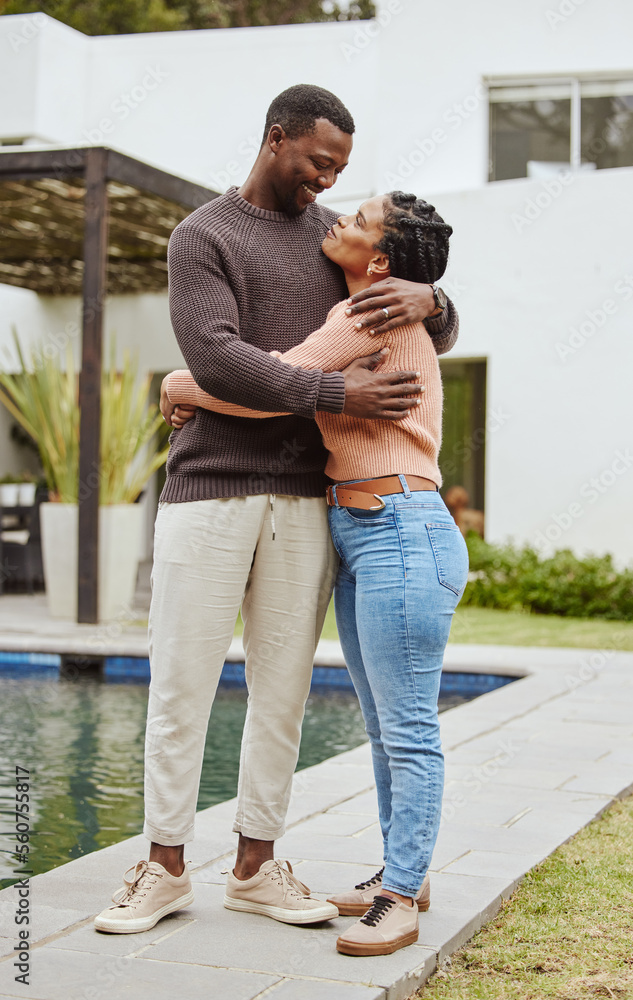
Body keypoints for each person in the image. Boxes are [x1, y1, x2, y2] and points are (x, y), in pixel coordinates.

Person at [93, 84, 459, 936]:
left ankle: (257, 865)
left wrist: (434, 299)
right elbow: (216, 354)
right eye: (316, 162)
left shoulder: (334, 244)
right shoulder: (203, 235)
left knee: (285, 693)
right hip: (209, 487)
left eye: (340, 170)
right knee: (182, 684)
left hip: (308, 499)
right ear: (274, 140)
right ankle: (164, 864)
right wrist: (327, 392)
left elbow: (412, 311)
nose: (325, 182)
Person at [162, 190, 469, 956]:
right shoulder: (375, 301)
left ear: (378, 262)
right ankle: (405, 874)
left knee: (406, 728)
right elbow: (287, 380)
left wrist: (181, 386)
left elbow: (273, 386)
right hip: (369, 530)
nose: (339, 215)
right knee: (383, 723)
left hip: (400, 530)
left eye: (359, 218)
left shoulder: (365, 313)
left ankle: (398, 897)